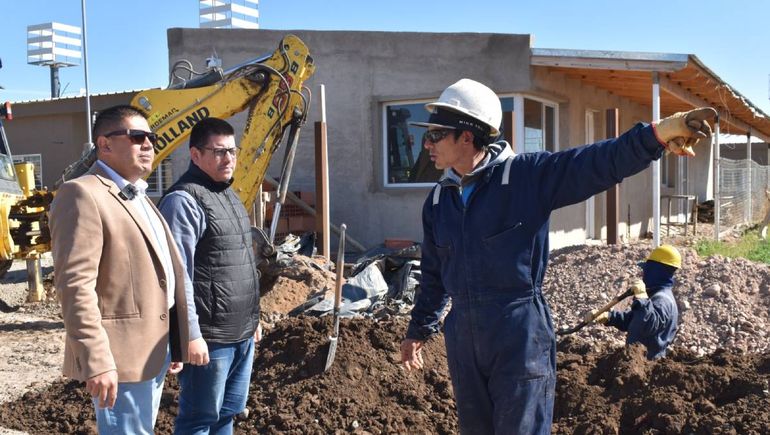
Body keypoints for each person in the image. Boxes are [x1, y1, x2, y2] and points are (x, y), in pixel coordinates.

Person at [398, 78, 716, 434]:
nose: (427, 143)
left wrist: (654, 136)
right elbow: (434, 275)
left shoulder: (524, 178)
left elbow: (595, 163)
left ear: (468, 136)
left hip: (518, 332)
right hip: (463, 338)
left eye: (436, 134)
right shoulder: (440, 201)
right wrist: (419, 329)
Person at [49, 104, 191, 434]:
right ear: (105, 144)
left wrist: (173, 339)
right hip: (118, 357)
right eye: (137, 136)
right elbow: (75, 286)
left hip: (153, 349)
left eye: (151, 138)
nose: (149, 145)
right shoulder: (81, 194)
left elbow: (160, 276)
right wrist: (96, 360)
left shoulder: (140, 197)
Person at [158, 117, 261, 434]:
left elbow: (239, 262)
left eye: (232, 150)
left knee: (227, 413)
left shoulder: (229, 195)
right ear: (195, 155)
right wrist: (190, 335)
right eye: (218, 152)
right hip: (210, 337)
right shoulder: (183, 201)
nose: (228, 158)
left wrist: (253, 321)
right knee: (199, 418)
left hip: (241, 332)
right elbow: (178, 276)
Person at [586, 244, 681, 360]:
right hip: (638, 362)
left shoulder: (662, 300)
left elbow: (648, 325)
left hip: (648, 364)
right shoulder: (654, 296)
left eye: (647, 270)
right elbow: (636, 320)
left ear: (656, 271)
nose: (644, 274)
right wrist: (609, 317)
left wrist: (642, 299)